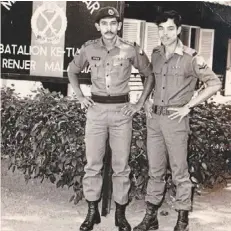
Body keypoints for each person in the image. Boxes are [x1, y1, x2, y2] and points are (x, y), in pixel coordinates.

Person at [67, 6, 155, 231]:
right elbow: (72, 70)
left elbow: (149, 74)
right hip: (96, 111)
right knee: (93, 165)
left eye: (112, 23)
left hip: (121, 112)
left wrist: (138, 104)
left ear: (118, 26)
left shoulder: (130, 49)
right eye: (104, 24)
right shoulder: (88, 48)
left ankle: (120, 215)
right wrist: (80, 97)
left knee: (121, 166)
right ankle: (91, 213)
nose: (108, 28)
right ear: (98, 26)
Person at [133, 10, 222, 231]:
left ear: (179, 30)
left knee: (180, 172)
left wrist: (188, 106)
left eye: (170, 28)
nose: (165, 33)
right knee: (155, 170)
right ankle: (151, 217)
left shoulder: (191, 57)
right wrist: (145, 101)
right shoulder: (155, 54)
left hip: (175, 120)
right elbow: (151, 78)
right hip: (154, 119)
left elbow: (214, 84)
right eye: (161, 29)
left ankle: (182, 220)